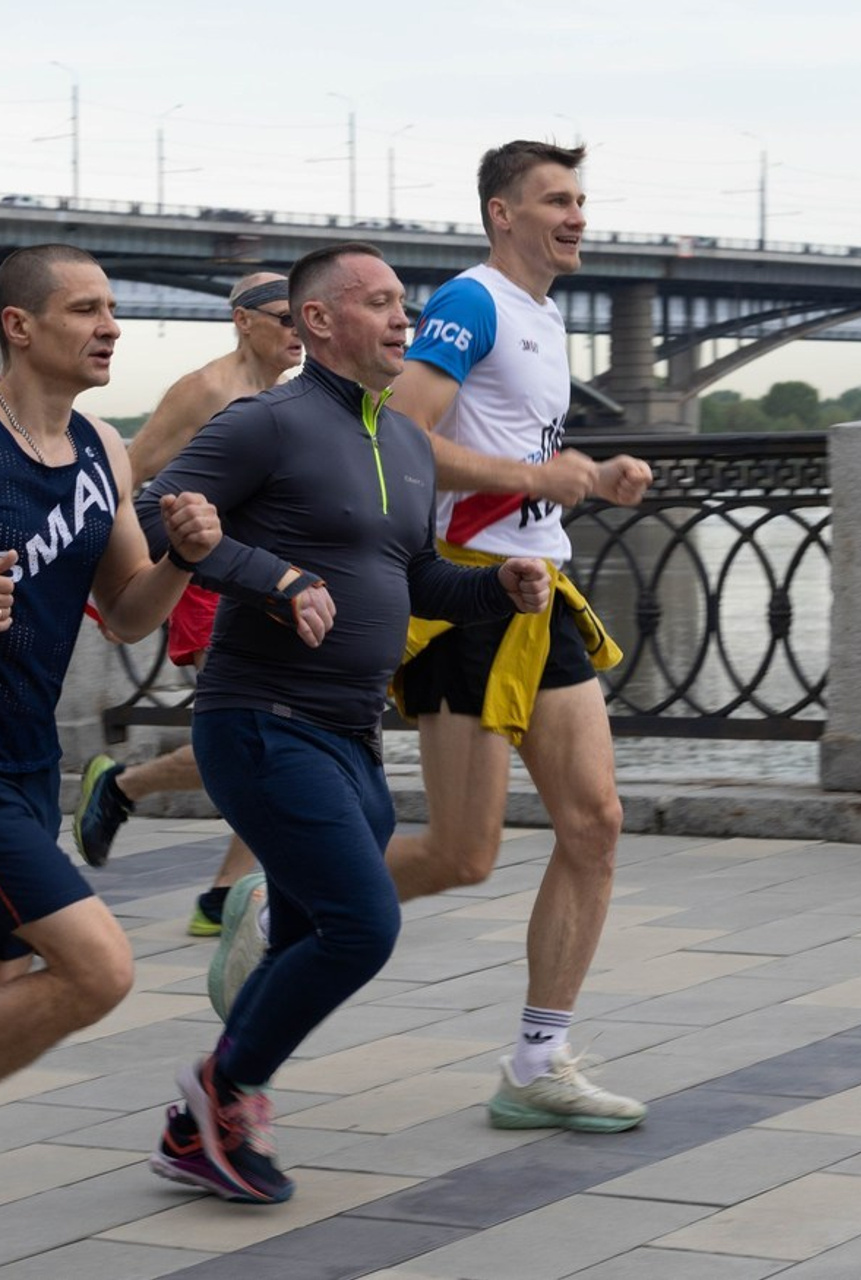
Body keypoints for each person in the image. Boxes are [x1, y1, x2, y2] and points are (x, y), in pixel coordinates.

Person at [137, 241, 550, 1205]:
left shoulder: (402, 441)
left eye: (404, 302)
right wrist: (267, 578)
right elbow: (162, 512)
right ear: (318, 321)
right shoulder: (265, 424)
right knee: (361, 927)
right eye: (379, 303)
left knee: (313, 928)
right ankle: (219, 1092)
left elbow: (413, 579)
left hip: (351, 733)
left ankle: (206, 1121)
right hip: (260, 720)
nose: (404, 319)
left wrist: (501, 588)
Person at [385, 140, 653, 1132]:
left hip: (545, 585)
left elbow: (519, 449)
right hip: (470, 592)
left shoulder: (541, 314)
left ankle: (537, 1060)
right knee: (462, 854)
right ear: (503, 212)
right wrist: (539, 482)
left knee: (594, 824)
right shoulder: (473, 300)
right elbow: (401, 432)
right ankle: (286, 904)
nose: (576, 215)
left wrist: (594, 475)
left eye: (581, 199)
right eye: (555, 199)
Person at [0, 243, 221, 1083]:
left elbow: (127, 613)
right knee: (99, 968)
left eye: (112, 308)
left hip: (30, 765)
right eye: (86, 310)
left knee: (13, 994)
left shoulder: (100, 446)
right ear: (18, 326)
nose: (113, 327)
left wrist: (182, 561)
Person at [74, 273, 303, 936]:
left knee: (262, 732)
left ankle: (214, 880)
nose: (299, 333)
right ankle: (224, 888)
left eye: (302, 321)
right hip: (199, 581)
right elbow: (125, 477)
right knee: (253, 732)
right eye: (285, 319)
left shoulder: (285, 396)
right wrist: (114, 593)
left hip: (256, 575)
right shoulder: (206, 390)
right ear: (244, 321)